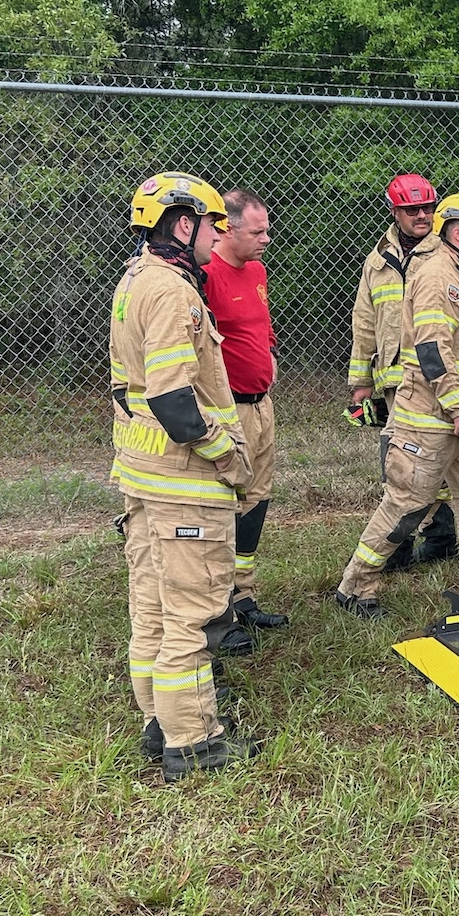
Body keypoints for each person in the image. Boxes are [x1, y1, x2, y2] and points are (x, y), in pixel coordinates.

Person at [109, 172, 260, 780]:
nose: (216, 235)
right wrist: (228, 455)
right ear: (182, 224)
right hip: (183, 484)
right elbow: (176, 403)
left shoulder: (134, 279)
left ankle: (159, 723)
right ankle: (194, 742)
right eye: (209, 224)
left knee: (151, 608)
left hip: (144, 481)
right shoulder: (172, 292)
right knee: (191, 618)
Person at [334, 193, 459, 615]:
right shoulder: (434, 277)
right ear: (457, 231)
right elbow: (432, 350)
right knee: (407, 504)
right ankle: (356, 587)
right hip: (427, 419)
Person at [347, 173, 459, 569]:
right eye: (413, 209)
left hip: (437, 378)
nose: (422, 215)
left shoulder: (446, 255)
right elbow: (364, 322)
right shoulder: (377, 261)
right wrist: (360, 382)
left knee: (435, 458)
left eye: (428, 207)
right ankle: (404, 543)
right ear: (395, 211)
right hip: (395, 380)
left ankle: (439, 534)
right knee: (402, 463)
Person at [203, 187, 288, 631]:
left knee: (256, 501)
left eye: (266, 230)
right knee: (223, 506)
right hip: (226, 411)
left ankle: (245, 594)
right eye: (258, 231)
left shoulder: (256, 270)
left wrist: (270, 353)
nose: (266, 238)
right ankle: (218, 606)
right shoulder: (205, 274)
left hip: (261, 407)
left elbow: (261, 324)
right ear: (226, 228)